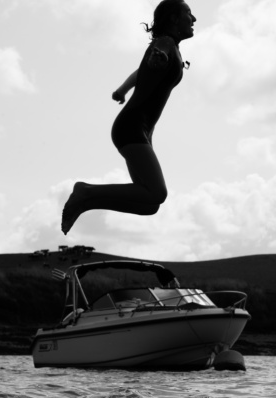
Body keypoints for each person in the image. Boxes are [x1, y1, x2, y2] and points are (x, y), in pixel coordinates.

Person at [61, 0, 196, 234]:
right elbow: (156, 57)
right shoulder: (164, 44)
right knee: (158, 193)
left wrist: (122, 89)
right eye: (188, 13)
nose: (193, 19)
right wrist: (158, 59)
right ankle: (86, 191)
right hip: (132, 127)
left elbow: (140, 71)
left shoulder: (171, 47)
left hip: (139, 130)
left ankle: (87, 202)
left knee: (150, 205)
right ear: (174, 18)